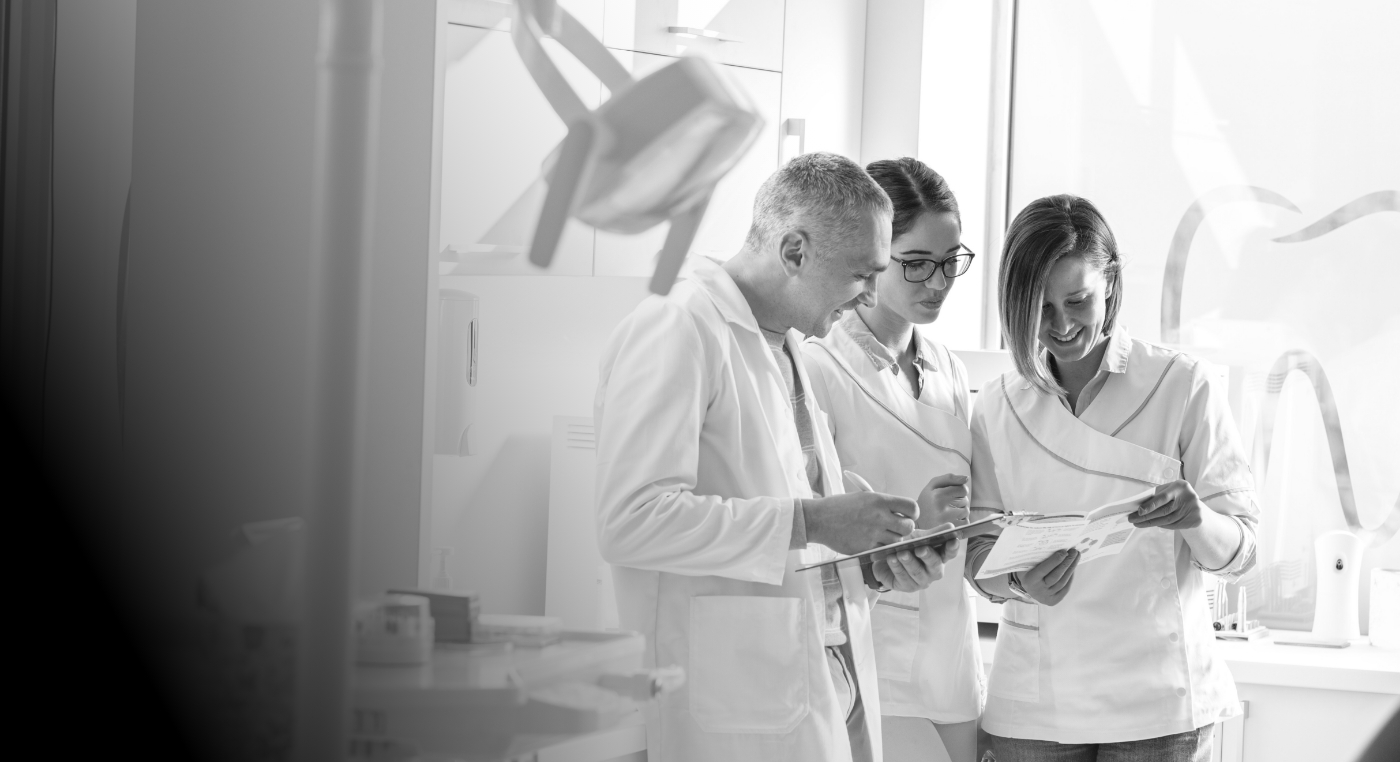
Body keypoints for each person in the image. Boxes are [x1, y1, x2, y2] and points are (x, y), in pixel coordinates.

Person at [595, 152, 958, 762]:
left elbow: (793, 542)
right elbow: (631, 521)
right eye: (859, 275)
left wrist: (870, 565)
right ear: (794, 252)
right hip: (726, 701)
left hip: (820, 683)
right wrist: (814, 521)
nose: (869, 294)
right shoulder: (677, 326)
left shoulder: (787, 342)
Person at [966, 195, 1259, 762]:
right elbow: (978, 559)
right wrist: (1023, 584)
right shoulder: (997, 407)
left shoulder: (1182, 386)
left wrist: (1197, 519)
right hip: (1036, 697)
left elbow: (1241, 553)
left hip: (1157, 697)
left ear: (1112, 283)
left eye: (1077, 300)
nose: (1061, 325)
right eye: (1039, 308)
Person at [802, 158, 983, 762]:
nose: (938, 282)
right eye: (917, 264)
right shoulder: (820, 365)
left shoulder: (950, 369)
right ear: (876, 255)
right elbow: (808, 533)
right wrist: (916, 523)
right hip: (869, 657)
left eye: (951, 261)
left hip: (950, 656)